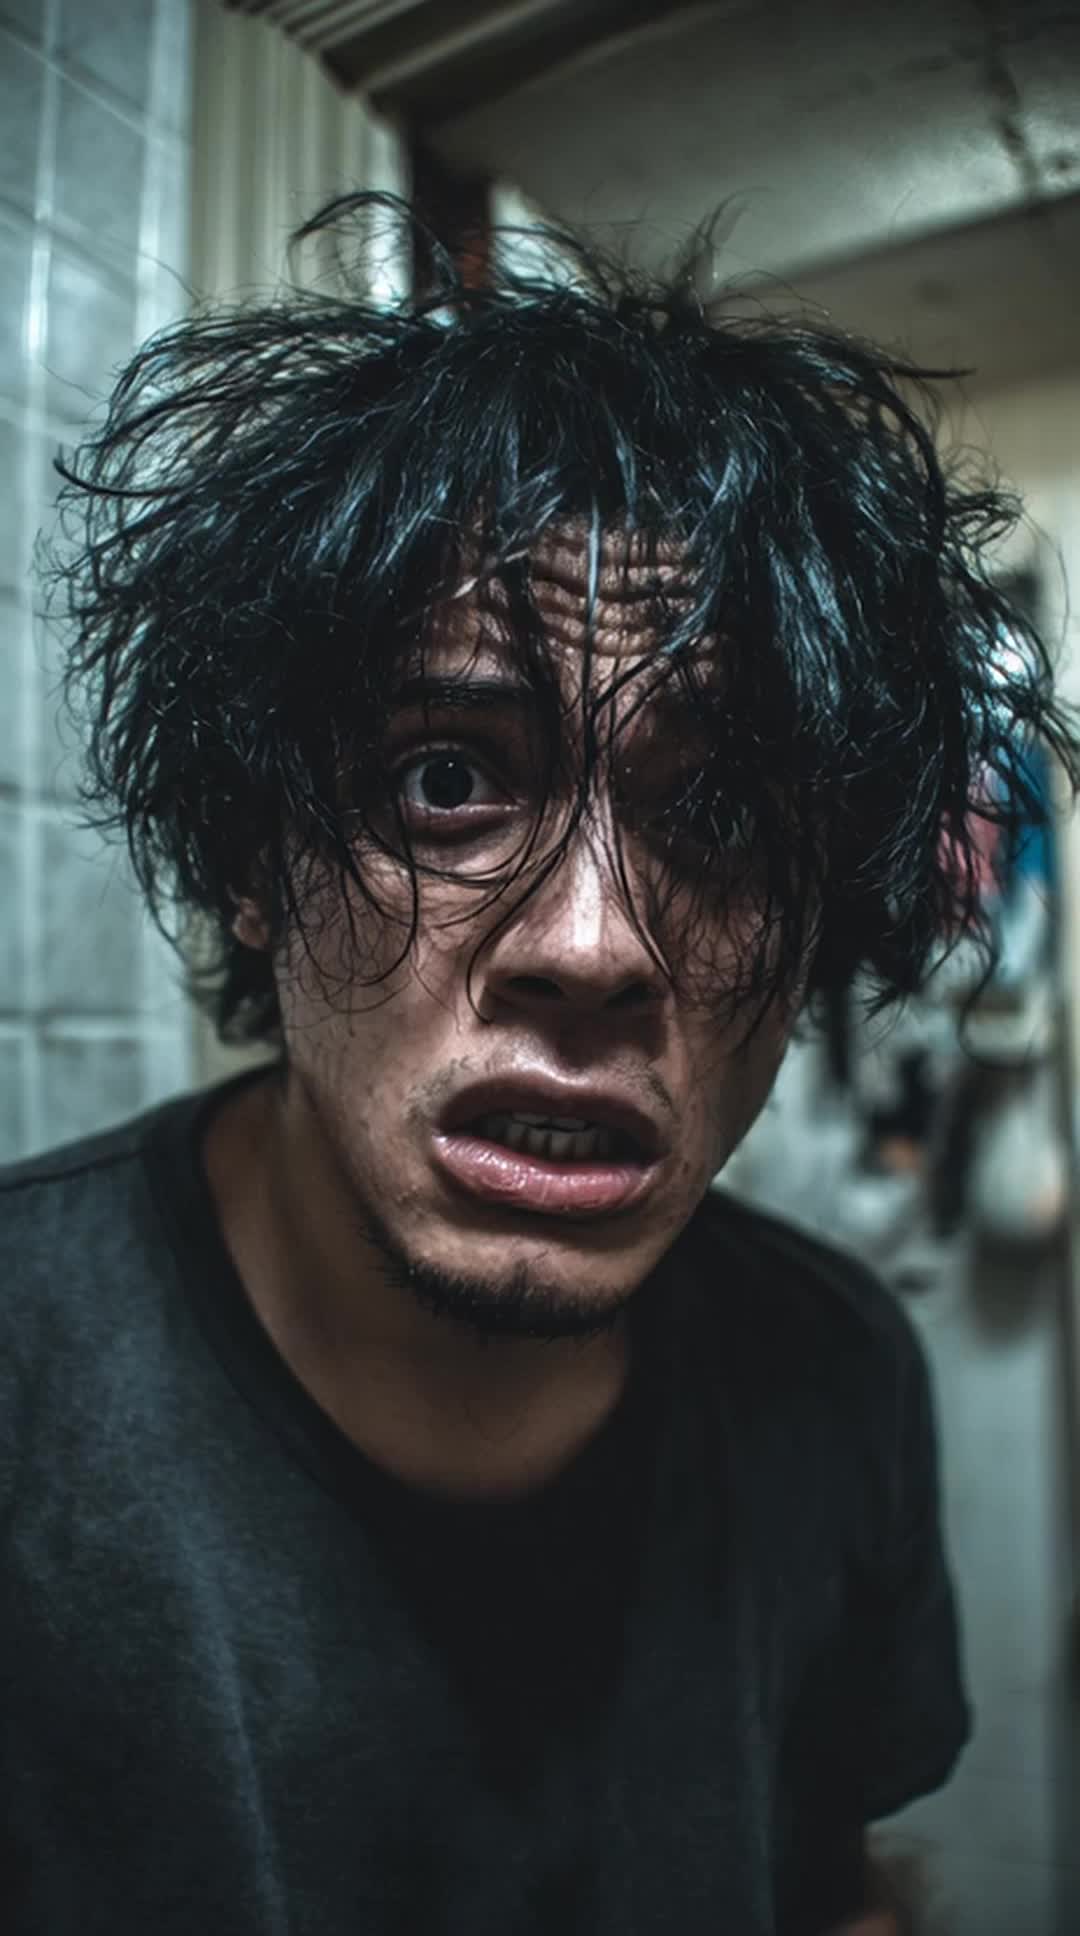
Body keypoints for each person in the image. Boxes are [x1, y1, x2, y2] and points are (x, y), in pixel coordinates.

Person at [3, 194, 1076, 1936]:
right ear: (256, 859)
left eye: (719, 814)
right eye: (447, 779)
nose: (591, 947)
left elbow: (831, 1890)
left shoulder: (836, 1376)